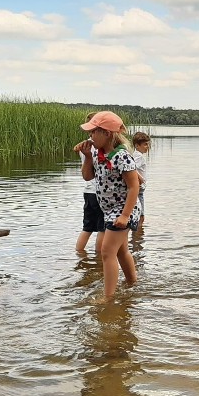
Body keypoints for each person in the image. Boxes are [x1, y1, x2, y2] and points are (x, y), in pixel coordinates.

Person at [76, 111, 141, 300]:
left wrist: (125, 215)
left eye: (93, 132)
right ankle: (132, 283)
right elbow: (88, 177)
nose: (90, 136)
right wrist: (87, 156)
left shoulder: (122, 156)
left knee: (106, 252)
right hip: (109, 210)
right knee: (121, 251)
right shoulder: (98, 154)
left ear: (107, 133)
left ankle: (108, 297)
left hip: (123, 210)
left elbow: (133, 186)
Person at [75, 113, 105, 253]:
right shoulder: (98, 146)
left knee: (87, 228)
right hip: (99, 191)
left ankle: (79, 254)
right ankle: (99, 260)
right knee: (102, 229)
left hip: (87, 192)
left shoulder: (83, 146)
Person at [132, 131, 151, 228]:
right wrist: (141, 179)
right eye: (145, 144)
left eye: (147, 144)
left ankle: (136, 239)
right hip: (138, 190)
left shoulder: (136, 155)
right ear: (137, 145)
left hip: (138, 190)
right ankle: (137, 240)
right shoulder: (138, 156)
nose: (147, 146)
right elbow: (131, 168)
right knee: (141, 217)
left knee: (138, 215)